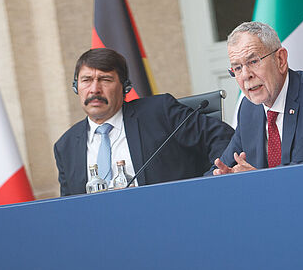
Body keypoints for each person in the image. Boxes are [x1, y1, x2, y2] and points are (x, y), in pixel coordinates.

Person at [54, 48, 233, 196]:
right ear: (76, 87)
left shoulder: (159, 112)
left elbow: (223, 138)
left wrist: (209, 183)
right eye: (86, 80)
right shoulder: (65, 146)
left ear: (125, 87)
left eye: (105, 79)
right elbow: (68, 207)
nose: (94, 89)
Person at [212, 22, 303, 174]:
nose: (246, 75)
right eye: (237, 68)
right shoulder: (248, 108)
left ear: (280, 59)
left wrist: (260, 179)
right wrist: (220, 175)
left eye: (253, 62)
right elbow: (224, 166)